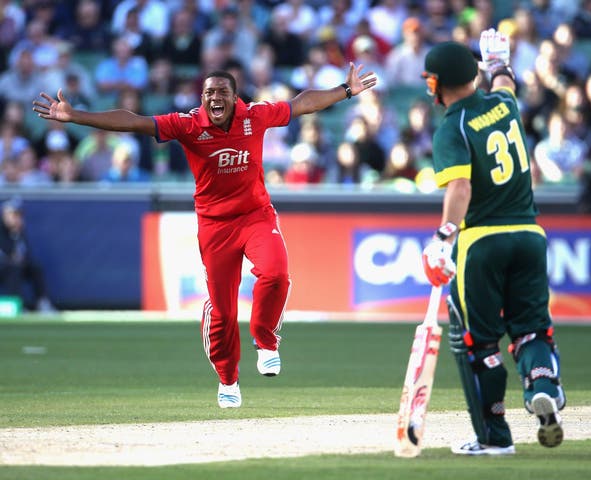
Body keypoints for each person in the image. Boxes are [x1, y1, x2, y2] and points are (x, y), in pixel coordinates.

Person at [33, 63, 377, 409]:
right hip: (215, 226)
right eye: (209, 92)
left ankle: (265, 340)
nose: (214, 97)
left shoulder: (254, 115)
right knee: (224, 312)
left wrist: (345, 91)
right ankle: (228, 379)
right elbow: (135, 121)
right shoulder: (187, 123)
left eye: (221, 92)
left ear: (234, 98)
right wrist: (76, 116)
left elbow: (302, 104)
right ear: (202, 97)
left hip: (256, 215)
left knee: (276, 273)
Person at [420, 29, 566, 455]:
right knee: (531, 328)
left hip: (481, 242)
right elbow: (505, 82)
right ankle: (542, 382)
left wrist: (443, 236)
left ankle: (494, 437)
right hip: (529, 234)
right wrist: (498, 61)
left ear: (436, 84)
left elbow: (460, 188)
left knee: (478, 343)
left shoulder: (452, 127)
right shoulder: (504, 105)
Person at [0, 197, 56, 313]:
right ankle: (17, 304)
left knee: (35, 267)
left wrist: (16, 233)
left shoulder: (18, 231)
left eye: (18, 215)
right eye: (13, 215)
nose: (16, 219)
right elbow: (8, 252)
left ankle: (42, 302)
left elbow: (24, 253)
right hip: (4, 267)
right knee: (13, 268)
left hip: (14, 265)